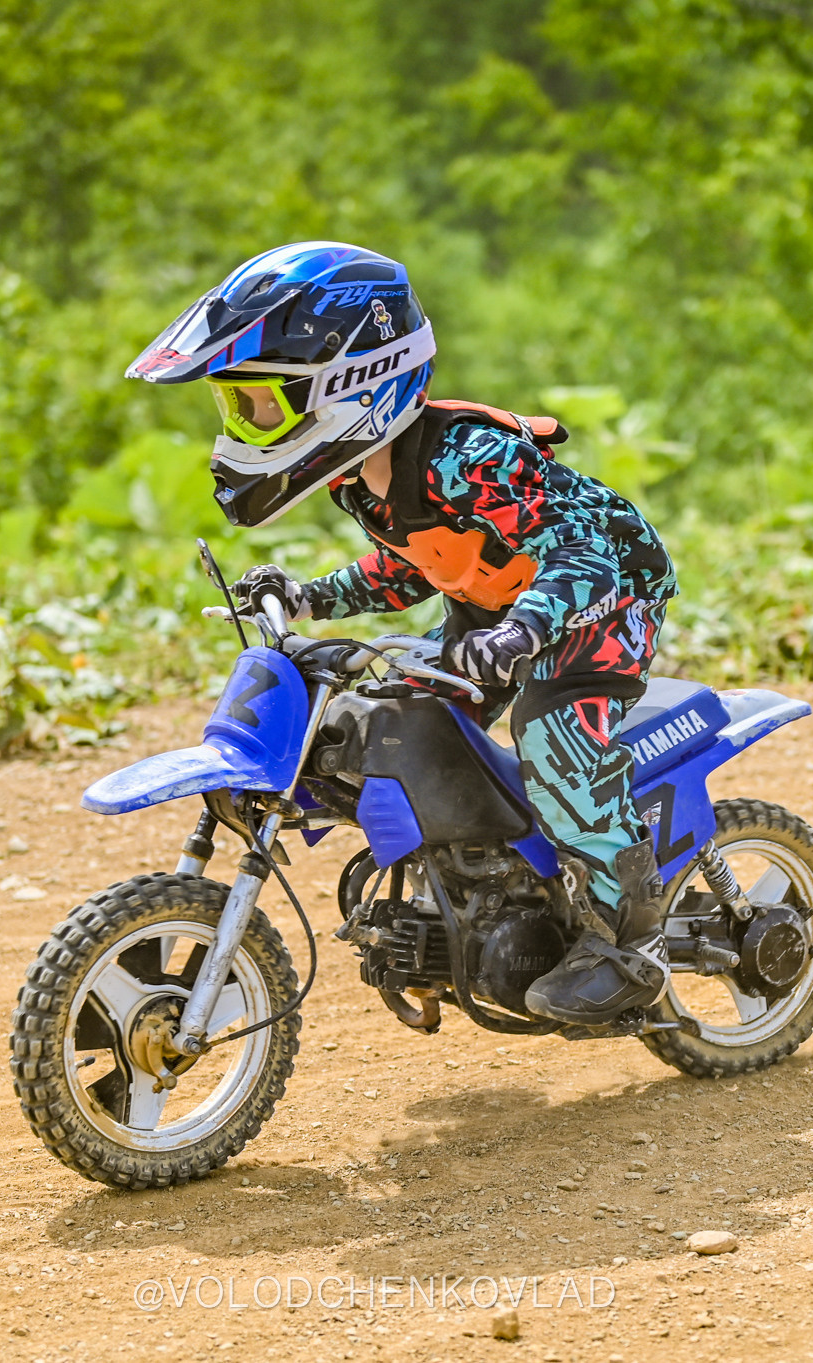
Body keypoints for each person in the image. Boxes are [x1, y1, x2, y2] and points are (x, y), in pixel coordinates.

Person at [125, 241, 678, 1025]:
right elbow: (416, 564)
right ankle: (477, 893)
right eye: (237, 409)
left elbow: (581, 550)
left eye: (260, 406)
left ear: (348, 387)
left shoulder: (470, 457)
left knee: (552, 737)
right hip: (497, 609)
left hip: (601, 601)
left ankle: (632, 943)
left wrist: (523, 633)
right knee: (399, 721)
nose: (245, 427)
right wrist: (311, 596)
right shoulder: (363, 479)